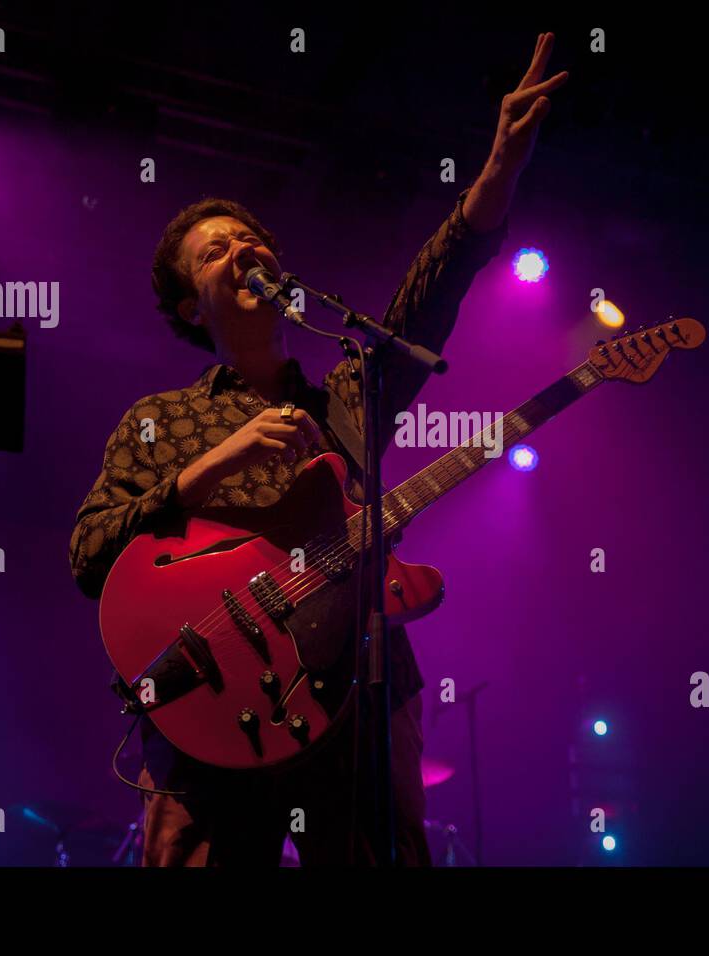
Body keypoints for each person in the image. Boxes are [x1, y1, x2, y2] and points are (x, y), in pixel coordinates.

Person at [69, 33, 566, 865]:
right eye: (216, 250)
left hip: (360, 692)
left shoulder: (349, 390)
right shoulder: (159, 419)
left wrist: (497, 173)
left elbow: (426, 298)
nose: (244, 251)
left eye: (251, 241)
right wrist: (207, 469)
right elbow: (90, 553)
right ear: (194, 307)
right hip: (214, 699)